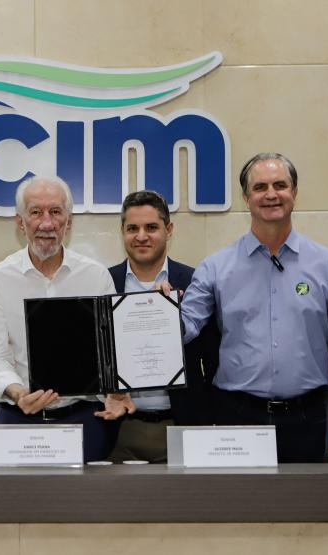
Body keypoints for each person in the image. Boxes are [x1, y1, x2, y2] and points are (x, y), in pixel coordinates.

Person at [179, 153, 328, 463]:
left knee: (307, 508)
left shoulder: (327, 265)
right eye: (260, 187)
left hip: (308, 416)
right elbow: (185, 328)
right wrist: (157, 309)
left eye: (280, 185)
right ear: (246, 198)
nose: (271, 194)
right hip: (237, 415)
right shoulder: (215, 267)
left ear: (294, 192)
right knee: (240, 508)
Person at [0, 176, 133, 462]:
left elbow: (111, 353)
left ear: (69, 222)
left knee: (86, 506)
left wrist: (117, 390)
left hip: (86, 420)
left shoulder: (96, 277)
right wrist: (18, 393)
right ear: (20, 222)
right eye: (36, 212)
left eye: (55, 212)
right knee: (17, 507)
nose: (46, 223)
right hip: (18, 416)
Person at [106, 190, 219, 463]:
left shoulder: (196, 282)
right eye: (132, 228)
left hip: (182, 426)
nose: (141, 236)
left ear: (168, 230)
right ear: (122, 232)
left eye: (151, 227)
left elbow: (214, 359)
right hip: (119, 429)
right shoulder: (104, 283)